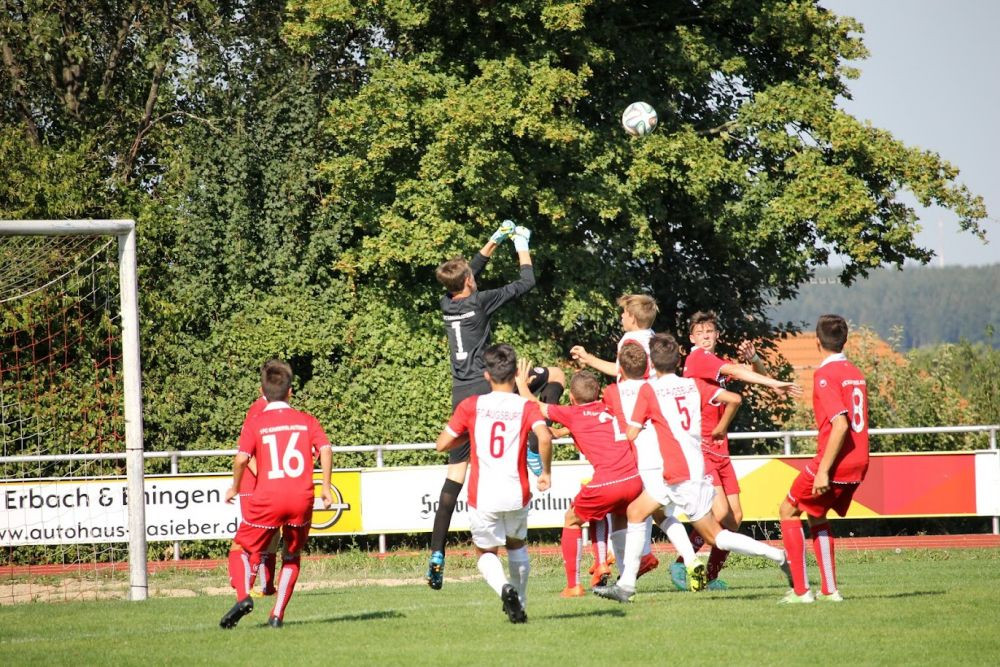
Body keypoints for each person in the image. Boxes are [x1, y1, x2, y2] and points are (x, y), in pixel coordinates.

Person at [594, 334, 791, 603]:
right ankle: (626, 586)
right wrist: (721, 428)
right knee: (636, 511)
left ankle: (777, 555)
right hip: (693, 469)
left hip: (678, 475)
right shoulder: (693, 385)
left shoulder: (649, 391)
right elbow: (734, 399)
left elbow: (630, 433)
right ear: (678, 360)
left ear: (653, 363)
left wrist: (608, 425)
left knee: (716, 537)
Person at [428, 222, 565, 590]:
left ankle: (436, 552)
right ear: (470, 283)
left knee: (454, 476)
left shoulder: (447, 303)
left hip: (460, 393)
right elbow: (525, 284)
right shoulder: (479, 301)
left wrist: (493, 241)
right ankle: (537, 446)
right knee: (554, 375)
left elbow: (468, 272)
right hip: (486, 390)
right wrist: (521, 245)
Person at [570, 294, 693, 589]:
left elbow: (618, 371)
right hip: (652, 422)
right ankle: (684, 560)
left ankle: (634, 567)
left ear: (633, 318)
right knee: (653, 504)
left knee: (630, 500)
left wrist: (588, 359)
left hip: (634, 423)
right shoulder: (652, 338)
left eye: (624, 313)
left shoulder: (629, 341)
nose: (621, 317)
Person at [680, 310, 802, 589]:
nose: (705, 336)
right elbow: (738, 373)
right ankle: (682, 563)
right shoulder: (697, 358)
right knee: (720, 514)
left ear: (717, 335)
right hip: (702, 448)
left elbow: (748, 374)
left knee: (734, 518)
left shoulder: (717, 364)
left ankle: (710, 577)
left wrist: (757, 360)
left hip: (721, 450)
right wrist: (774, 382)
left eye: (709, 331)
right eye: (699, 333)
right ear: (692, 338)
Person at [435, 344, 553, 623]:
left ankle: (504, 589)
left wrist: (470, 436)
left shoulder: (472, 405)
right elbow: (545, 437)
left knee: (486, 552)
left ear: (487, 375)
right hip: (516, 491)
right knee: (517, 545)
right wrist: (545, 472)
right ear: (515, 374)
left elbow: (442, 444)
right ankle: (520, 603)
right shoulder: (524, 405)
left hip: (483, 494)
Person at [220, 359, 333, 629]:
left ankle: (243, 597)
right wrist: (326, 488)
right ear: (290, 391)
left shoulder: (257, 421)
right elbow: (326, 450)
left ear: (262, 389)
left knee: (241, 548)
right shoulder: (306, 420)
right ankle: (277, 615)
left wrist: (235, 487)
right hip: (301, 497)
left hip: (268, 496)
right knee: (292, 556)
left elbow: (241, 460)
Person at [514, 360, 643, 598]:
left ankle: (573, 585)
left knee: (571, 519)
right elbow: (592, 426)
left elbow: (534, 405)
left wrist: (522, 384)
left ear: (572, 398)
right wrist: (564, 431)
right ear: (597, 393)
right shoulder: (607, 408)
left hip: (608, 482)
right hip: (634, 479)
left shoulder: (572, 413)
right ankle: (626, 574)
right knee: (615, 517)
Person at [777, 314, 869, 604]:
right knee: (817, 514)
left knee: (788, 511)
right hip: (859, 460)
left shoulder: (825, 374)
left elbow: (840, 424)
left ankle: (802, 592)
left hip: (835, 462)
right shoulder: (855, 371)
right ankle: (830, 590)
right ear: (845, 340)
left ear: (817, 342)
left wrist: (823, 471)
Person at [234, 394, 279, 597]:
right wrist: (263, 476)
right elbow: (246, 451)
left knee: (273, 533)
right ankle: (246, 583)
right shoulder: (259, 408)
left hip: (265, 483)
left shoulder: (274, 408)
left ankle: (267, 585)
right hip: (254, 484)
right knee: (259, 533)